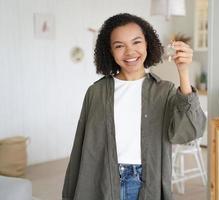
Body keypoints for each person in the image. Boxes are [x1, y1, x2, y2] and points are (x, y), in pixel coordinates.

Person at [62, 13, 206, 200]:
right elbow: (81, 148)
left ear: (147, 44)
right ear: (110, 51)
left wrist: (183, 72)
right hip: (103, 180)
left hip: (146, 181)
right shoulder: (96, 92)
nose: (130, 52)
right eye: (119, 46)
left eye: (136, 42)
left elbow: (188, 132)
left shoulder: (164, 91)